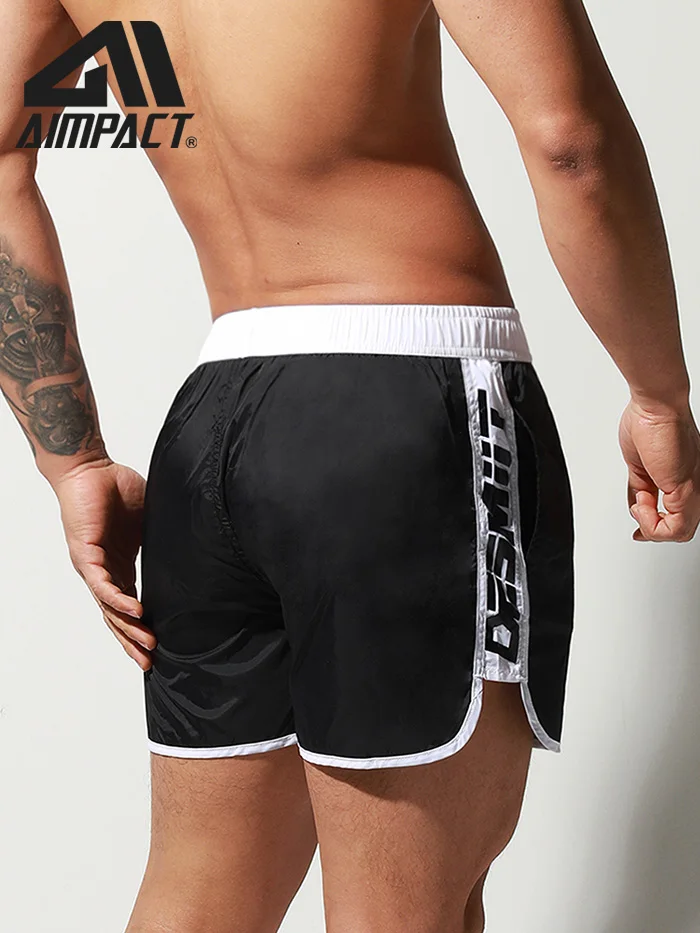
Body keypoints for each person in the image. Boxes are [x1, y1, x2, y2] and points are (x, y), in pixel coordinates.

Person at [1, 1, 698, 930]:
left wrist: (74, 462)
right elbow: (571, 140)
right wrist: (658, 393)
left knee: (198, 900)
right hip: (406, 408)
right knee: (411, 912)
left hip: (212, 431)